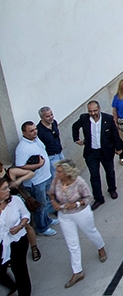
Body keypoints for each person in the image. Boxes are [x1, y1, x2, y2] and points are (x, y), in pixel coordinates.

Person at [49, 159, 107, 289]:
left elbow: (89, 198)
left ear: (67, 172)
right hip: (64, 215)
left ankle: (101, 247)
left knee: (91, 232)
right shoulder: (56, 180)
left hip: (81, 213)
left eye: (59, 171)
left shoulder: (79, 182)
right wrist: (53, 201)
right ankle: (77, 272)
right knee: (72, 244)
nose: (56, 173)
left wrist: (75, 204)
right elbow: (51, 192)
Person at [72, 101, 123, 210]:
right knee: (94, 176)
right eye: (90, 111)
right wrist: (77, 139)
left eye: (95, 110)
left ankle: (112, 189)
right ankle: (98, 198)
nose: (93, 113)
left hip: (106, 151)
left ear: (99, 108)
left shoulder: (108, 119)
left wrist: (118, 148)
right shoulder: (84, 118)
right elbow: (75, 127)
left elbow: (114, 133)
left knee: (109, 171)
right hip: (91, 153)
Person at [14, 121, 57, 236]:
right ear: (24, 132)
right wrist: (37, 166)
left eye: (35, 129)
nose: (35, 132)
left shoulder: (36, 139)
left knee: (46, 201)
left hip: (46, 177)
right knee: (40, 205)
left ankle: (47, 220)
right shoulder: (22, 148)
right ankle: (42, 228)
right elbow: (20, 166)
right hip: (36, 182)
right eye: (31, 131)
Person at [0, 162, 40, 263]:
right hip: (3, 206)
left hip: (15, 202)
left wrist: (18, 181)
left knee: (26, 225)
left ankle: (34, 247)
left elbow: (31, 173)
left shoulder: (9, 172)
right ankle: (8, 252)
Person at [0, 177, 32, 295]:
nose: (8, 190)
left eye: (8, 187)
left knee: (19, 270)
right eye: (4, 189)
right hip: (2, 243)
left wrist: (20, 225)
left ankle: (25, 293)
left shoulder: (15, 201)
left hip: (18, 240)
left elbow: (26, 214)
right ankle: (12, 286)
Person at [36, 106, 64, 181]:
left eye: (51, 114)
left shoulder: (54, 123)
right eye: (47, 116)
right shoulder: (39, 130)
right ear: (42, 118)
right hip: (51, 157)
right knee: (56, 178)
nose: (51, 117)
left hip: (60, 153)